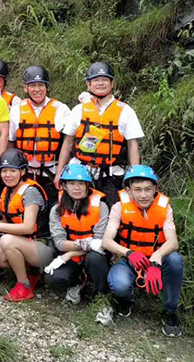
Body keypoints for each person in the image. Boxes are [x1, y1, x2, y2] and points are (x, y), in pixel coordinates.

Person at [102, 165, 184, 336]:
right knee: (119, 284)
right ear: (128, 190)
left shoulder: (165, 208)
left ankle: (170, 311)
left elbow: (173, 242)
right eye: (137, 190)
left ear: (155, 189)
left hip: (157, 260)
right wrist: (129, 253)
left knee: (175, 260)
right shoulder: (119, 207)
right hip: (129, 259)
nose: (143, 195)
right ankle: (125, 300)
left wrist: (157, 257)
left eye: (148, 189)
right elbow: (107, 241)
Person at [55, 61, 144, 205]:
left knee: (111, 214)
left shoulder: (125, 111)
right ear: (88, 85)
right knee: (77, 213)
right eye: (96, 80)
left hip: (111, 174)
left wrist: (135, 178)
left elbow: (133, 146)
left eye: (104, 80)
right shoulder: (79, 110)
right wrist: (59, 172)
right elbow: (67, 143)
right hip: (81, 173)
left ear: (112, 83)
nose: (100, 83)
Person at [0, 149, 54, 302]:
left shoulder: (30, 191)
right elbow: (6, 217)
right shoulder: (9, 190)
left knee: (6, 240)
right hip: (26, 244)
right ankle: (33, 274)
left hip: (44, 247)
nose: (7, 175)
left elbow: (27, 227)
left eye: (13, 170)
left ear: (23, 171)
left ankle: (24, 285)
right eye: (4, 171)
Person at [45, 164, 110, 313]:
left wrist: (69, 253)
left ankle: (103, 297)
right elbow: (60, 243)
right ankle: (79, 281)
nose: (77, 188)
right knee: (53, 277)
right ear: (64, 186)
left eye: (81, 183)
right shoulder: (57, 209)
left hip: (95, 256)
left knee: (94, 258)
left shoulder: (101, 206)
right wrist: (79, 248)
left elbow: (99, 243)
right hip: (74, 256)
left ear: (88, 185)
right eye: (72, 183)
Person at [9, 66, 70, 202]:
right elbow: (11, 141)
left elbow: (68, 143)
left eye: (41, 85)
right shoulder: (17, 109)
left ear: (47, 87)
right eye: (33, 85)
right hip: (25, 172)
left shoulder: (61, 109)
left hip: (50, 171)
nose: (37, 89)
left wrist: (60, 173)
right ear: (25, 88)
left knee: (50, 210)